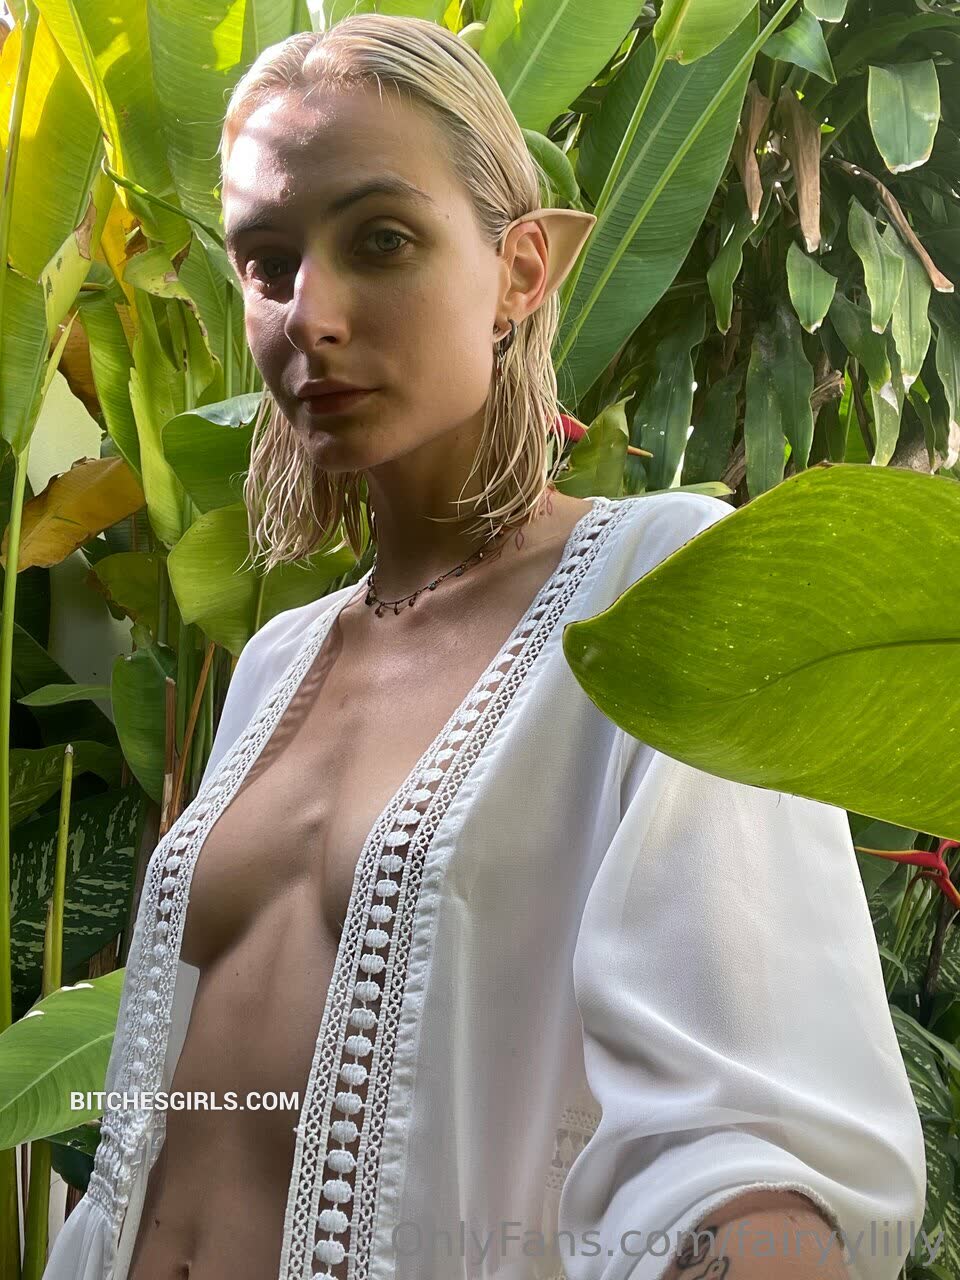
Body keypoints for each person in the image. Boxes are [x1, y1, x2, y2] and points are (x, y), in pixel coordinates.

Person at [43, 14, 925, 1280]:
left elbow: (744, 1149)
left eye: (381, 239)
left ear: (520, 271)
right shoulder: (277, 660)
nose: (311, 315)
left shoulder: (651, 584)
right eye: (267, 263)